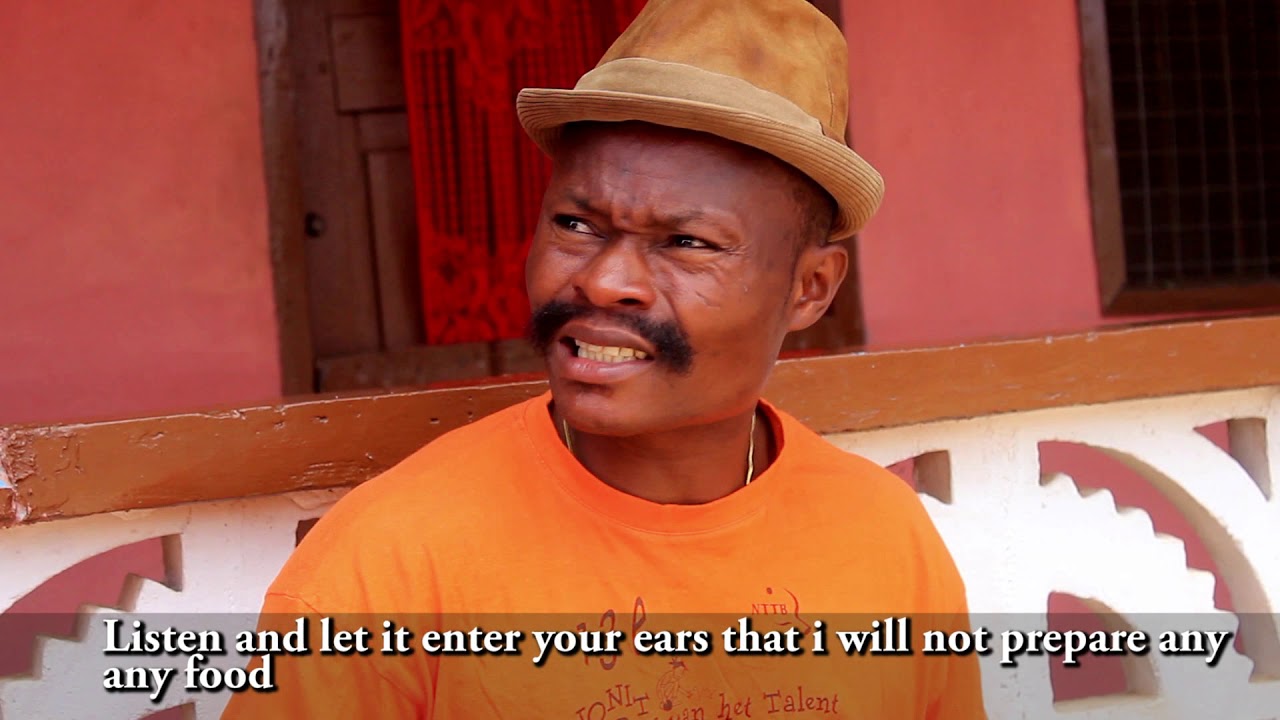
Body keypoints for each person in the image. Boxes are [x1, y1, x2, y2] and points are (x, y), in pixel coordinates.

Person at [222, 0, 986, 717]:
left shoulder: (885, 536)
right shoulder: (388, 569)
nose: (602, 280)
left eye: (685, 242)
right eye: (576, 225)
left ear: (809, 289)